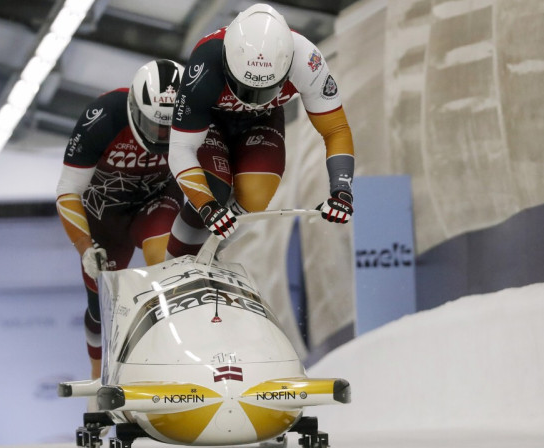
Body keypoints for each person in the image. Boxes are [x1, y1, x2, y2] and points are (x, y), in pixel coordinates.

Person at [165, 3, 355, 258]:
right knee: (214, 189)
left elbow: (336, 129)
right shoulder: (205, 62)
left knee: (256, 193)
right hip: (212, 120)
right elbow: (180, 147)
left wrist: (341, 189)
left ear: (287, 68)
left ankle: (209, 256)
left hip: (263, 120)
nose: (251, 100)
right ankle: (174, 263)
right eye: (244, 88)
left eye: (263, 90)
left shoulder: (307, 61)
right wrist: (207, 205)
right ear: (227, 62)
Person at [55, 59, 187, 380]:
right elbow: (67, 191)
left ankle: (177, 353)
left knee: (166, 263)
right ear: (133, 108)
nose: (162, 137)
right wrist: (86, 247)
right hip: (104, 215)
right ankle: (97, 374)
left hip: (157, 200)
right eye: (155, 125)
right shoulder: (101, 118)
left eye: (171, 128)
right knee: (101, 303)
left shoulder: (198, 114)